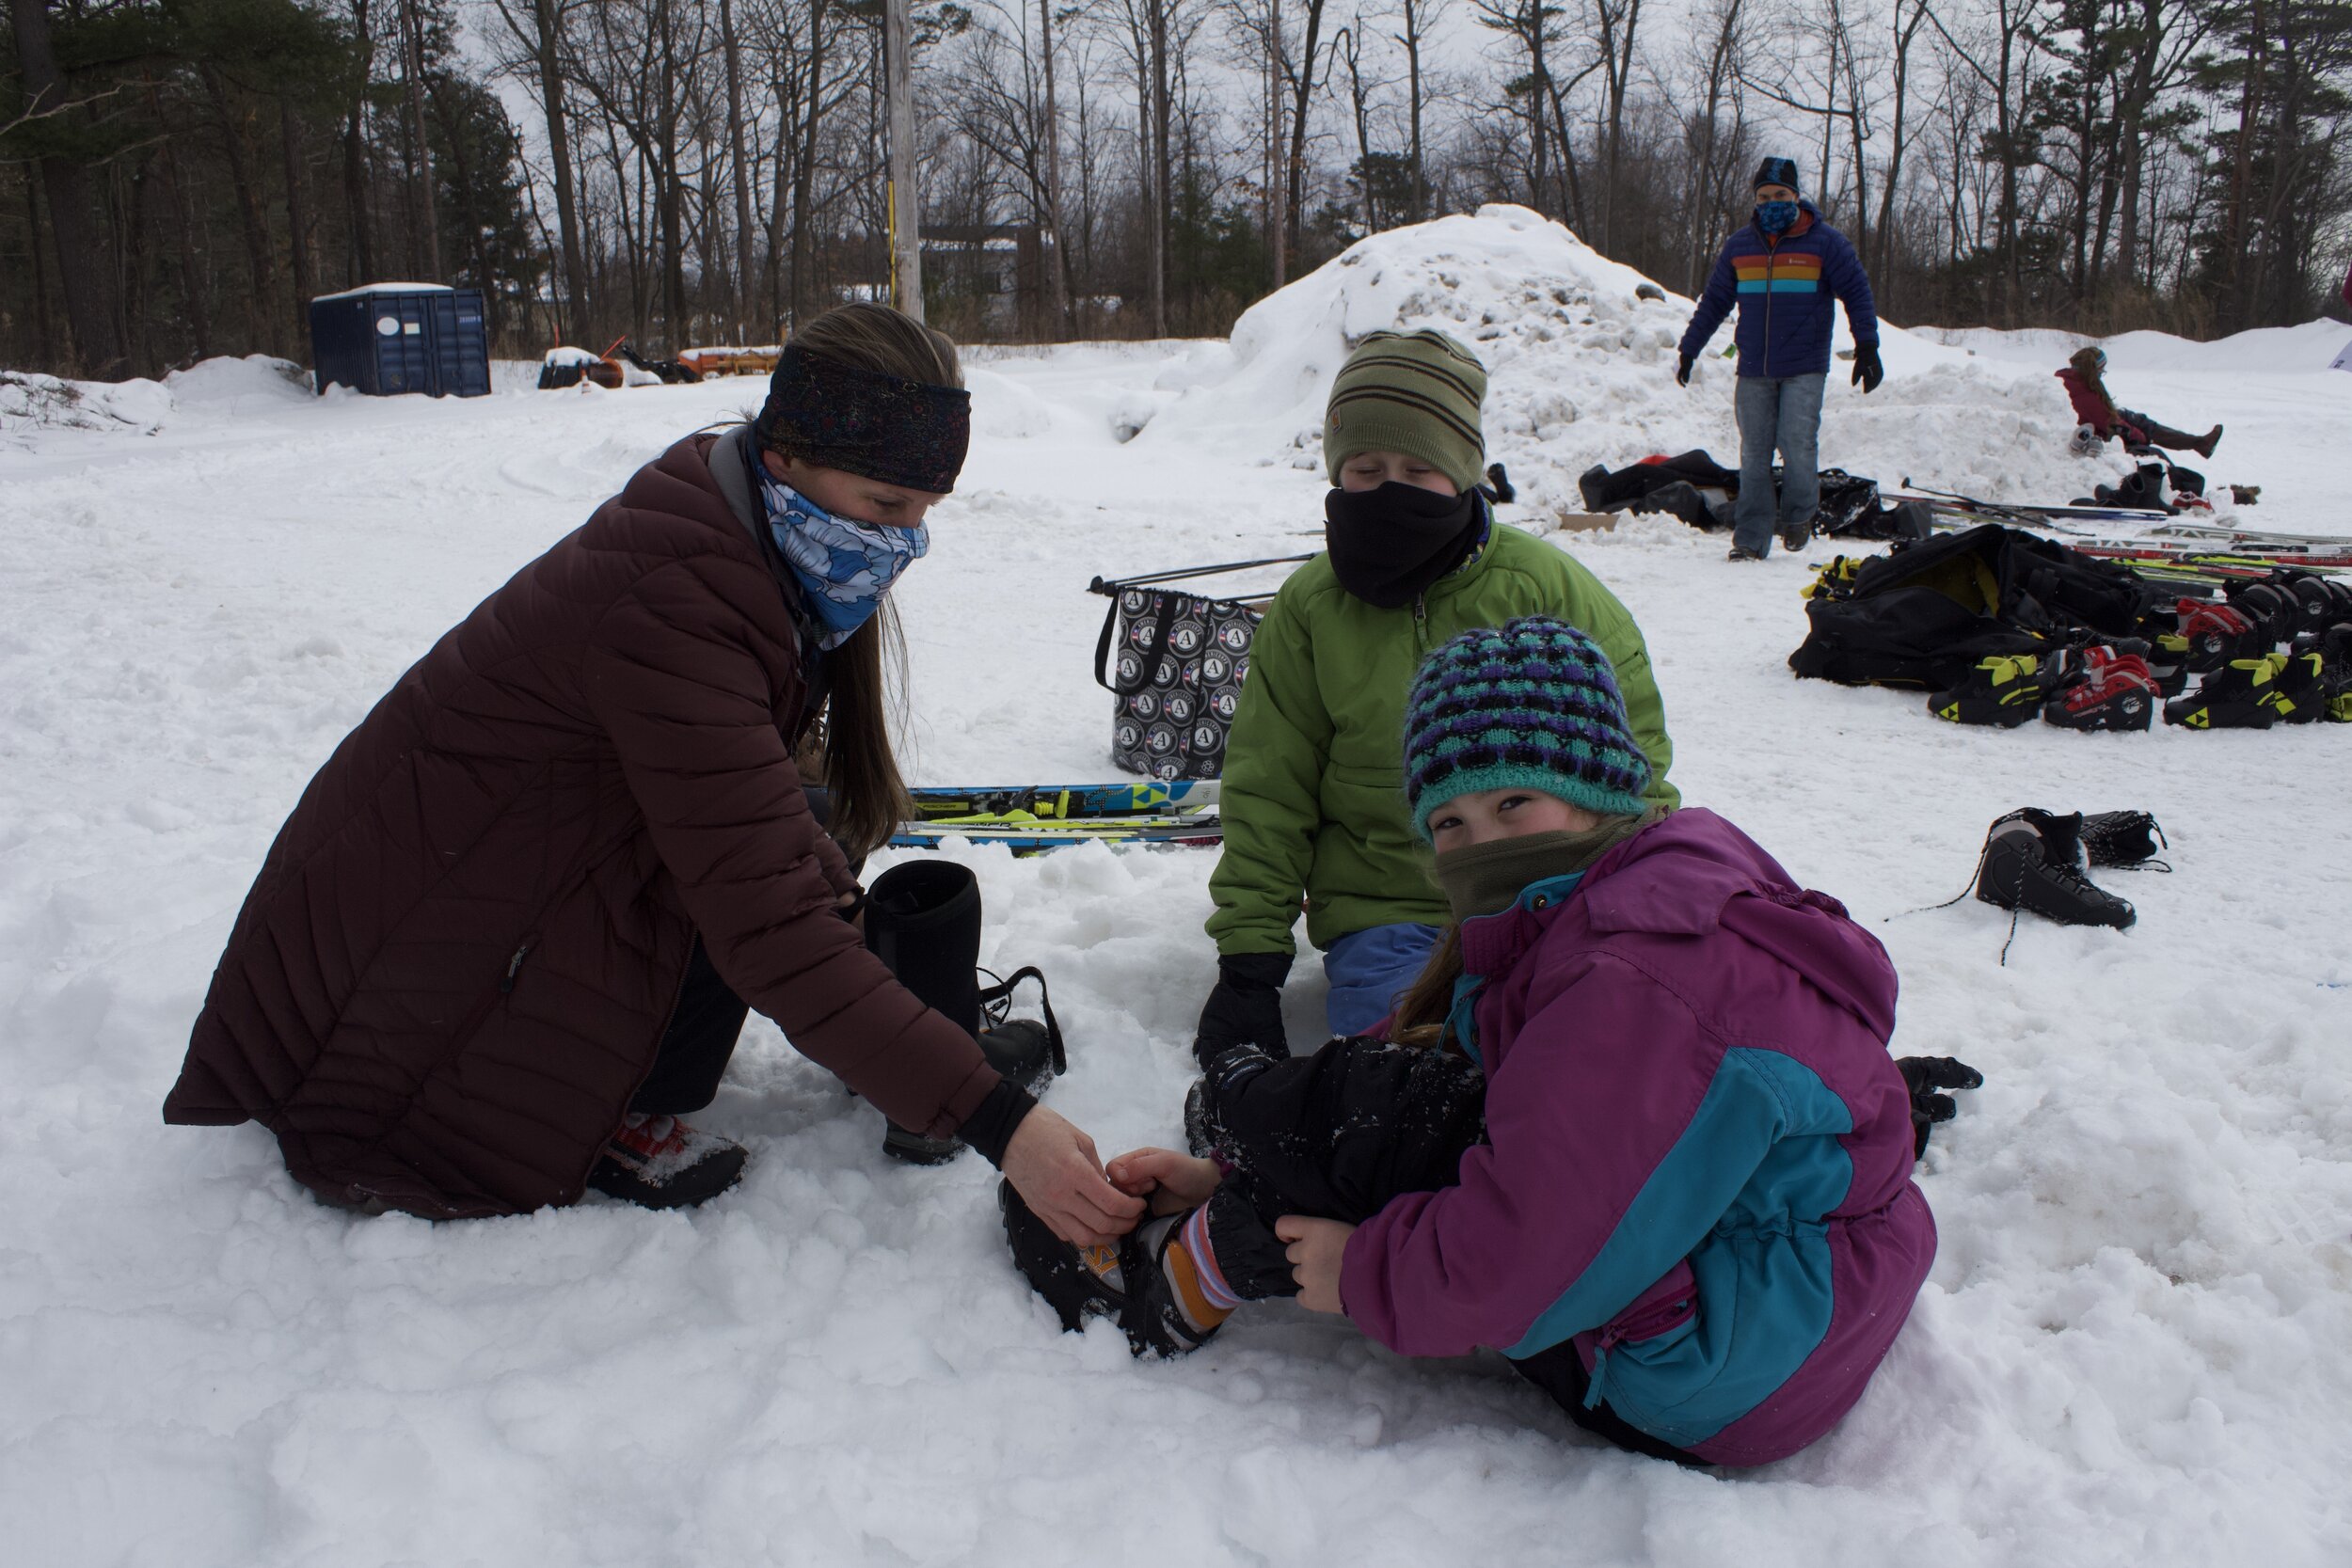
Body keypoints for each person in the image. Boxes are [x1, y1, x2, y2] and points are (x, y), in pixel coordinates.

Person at [162, 304, 1142, 1245]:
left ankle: (885, 1049)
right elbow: (770, 932)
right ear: (787, 455)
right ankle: (608, 1115)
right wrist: (998, 1120)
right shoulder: (676, 600)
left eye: (926, 510)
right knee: (764, 875)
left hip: (464, 901)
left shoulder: (729, 522)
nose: (904, 541)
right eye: (886, 505)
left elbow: (746, 814)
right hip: (408, 997)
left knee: (804, 824)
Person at [1005, 618, 1963, 1466]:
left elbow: (1535, 1255)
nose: (1482, 842)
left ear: (1596, 791)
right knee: (1415, 1097)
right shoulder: (1641, 891)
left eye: (1515, 805)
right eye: (1452, 822)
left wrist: (1363, 1271)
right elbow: (1511, 1093)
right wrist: (1234, 1167)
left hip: (1715, 1367)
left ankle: (1212, 1257)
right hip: (1787, 1298)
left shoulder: (1641, 974)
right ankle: (1237, 1191)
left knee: (1387, 1119)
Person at [1193, 328, 1677, 1059]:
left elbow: (1636, 767)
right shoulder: (1310, 610)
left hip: (1549, 896)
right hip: (1387, 915)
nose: (1390, 488)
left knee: (1615, 1043)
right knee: (1421, 1068)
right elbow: (1270, 787)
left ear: (1466, 474)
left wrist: (1643, 903)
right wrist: (1249, 964)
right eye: (1366, 468)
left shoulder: (1549, 591)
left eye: (1419, 470)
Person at [1677, 156, 1884, 562]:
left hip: (1805, 366)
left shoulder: (1826, 244)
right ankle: (1750, 538)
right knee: (1754, 454)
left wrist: (1868, 346)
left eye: (1780, 195)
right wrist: (1689, 347)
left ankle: (1797, 517)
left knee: (1797, 445)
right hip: (1754, 366)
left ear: (1796, 196)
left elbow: (1857, 293)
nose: (1772, 202)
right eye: (1764, 196)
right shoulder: (1740, 246)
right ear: (1755, 200)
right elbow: (1715, 301)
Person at [2056, 345, 2220, 459]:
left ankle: (2200, 443)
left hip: (2099, 425)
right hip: (2098, 437)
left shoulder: (2073, 379)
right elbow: (2107, 422)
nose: (2102, 374)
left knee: (2138, 421)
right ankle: (2180, 482)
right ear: (2093, 370)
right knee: (2153, 454)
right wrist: (2137, 435)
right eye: (2101, 370)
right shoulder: (2083, 392)